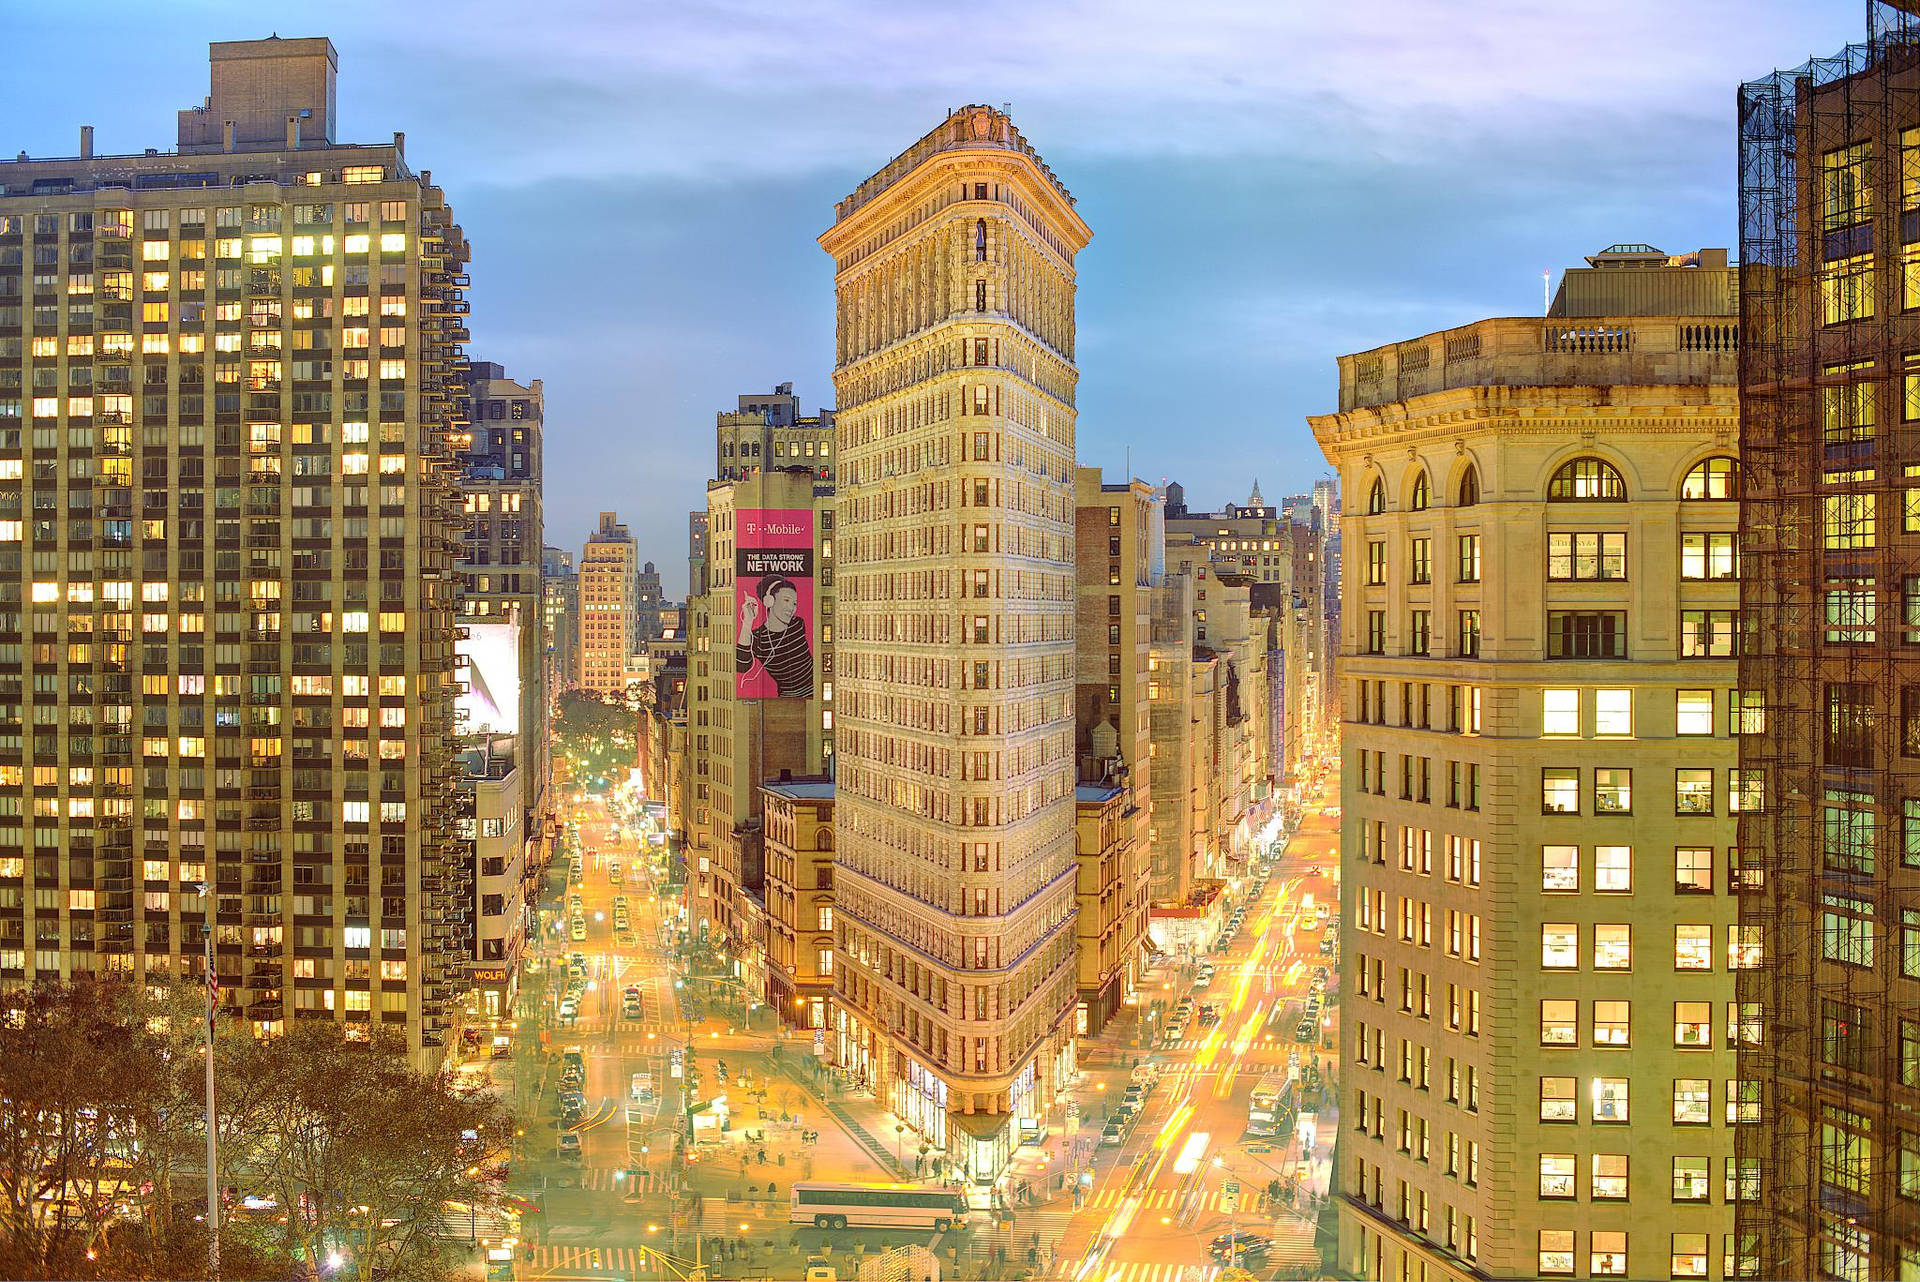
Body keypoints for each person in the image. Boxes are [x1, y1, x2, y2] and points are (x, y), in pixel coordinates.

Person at [737, 575, 813, 698]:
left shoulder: (798, 624)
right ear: (769, 601)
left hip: (817, 691)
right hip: (789, 698)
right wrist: (747, 622)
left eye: (794, 603)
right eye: (786, 600)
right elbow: (741, 667)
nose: (791, 608)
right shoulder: (757, 638)